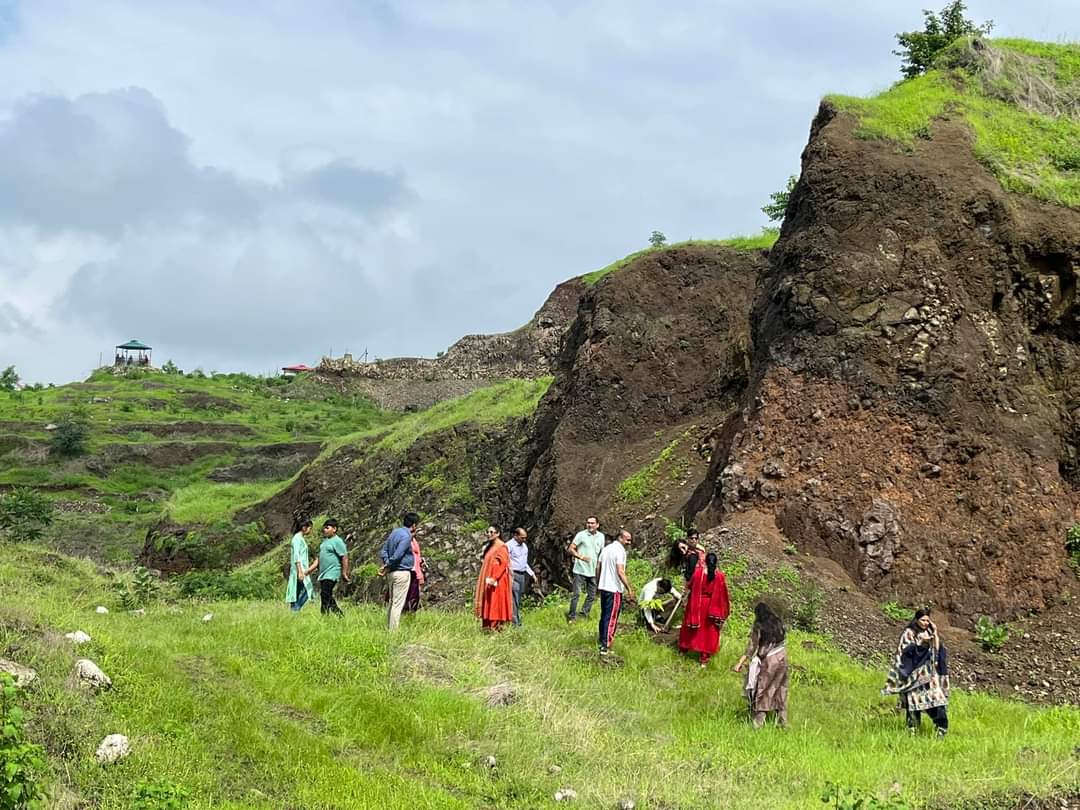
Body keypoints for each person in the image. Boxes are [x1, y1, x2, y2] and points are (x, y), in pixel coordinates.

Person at [882, 609, 950, 736]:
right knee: (913, 703)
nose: (925, 623)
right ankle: (912, 731)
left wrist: (935, 633)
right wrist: (921, 643)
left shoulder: (929, 631)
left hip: (929, 675)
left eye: (927, 621)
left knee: (937, 700)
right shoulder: (909, 633)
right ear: (916, 620)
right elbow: (904, 652)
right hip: (914, 677)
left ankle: (941, 728)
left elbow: (936, 649)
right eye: (923, 620)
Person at [734, 602, 789, 728]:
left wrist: (740, 663)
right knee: (781, 689)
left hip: (769, 661)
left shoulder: (759, 626)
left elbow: (752, 646)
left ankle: (758, 723)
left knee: (764, 689)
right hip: (782, 657)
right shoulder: (778, 623)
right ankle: (782, 721)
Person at [677, 553, 731, 665]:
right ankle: (703, 659)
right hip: (711, 607)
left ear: (705, 561)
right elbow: (723, 594)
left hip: (696, 604)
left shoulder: (698, 573)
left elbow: (690, 585)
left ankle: (683, 651)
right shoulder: (720, 576)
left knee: (690, 628)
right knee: (707, 632)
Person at [596, 529, 635, 655]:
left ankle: (602, 640)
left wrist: (598, 582)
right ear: (620, 538)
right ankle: (605, 645)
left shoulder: (606, 549)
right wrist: (629, 588)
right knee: (611, 617)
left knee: (604, 616)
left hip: (604, 587)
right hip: (614, 589)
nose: (629, 542)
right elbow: (620, 571)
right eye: (627, 540)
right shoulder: (620, 551)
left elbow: (598, 567)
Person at [379, 512, 419, 631]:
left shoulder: (395, 533)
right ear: (414, 525)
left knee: (392, 602)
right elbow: (398, 555)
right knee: (397, 604)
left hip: (392, 573)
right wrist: (388, 564)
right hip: (402, 572)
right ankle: (393, 632)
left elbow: (384, 551)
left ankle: (388, 628)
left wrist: (387, 564)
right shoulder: (407, 536)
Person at [566, 516, 605, 622]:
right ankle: (571, 617)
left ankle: (583, 614)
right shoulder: (581, 535)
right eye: (588, 523)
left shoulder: (601, 536)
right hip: (580, 570)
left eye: (592, 523)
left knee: (592, 595)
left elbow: (601, 554)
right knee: (576, 594)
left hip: (593, 570)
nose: (590, 525)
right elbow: (570, 549)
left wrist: (600, 568)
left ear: (597, 525)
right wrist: (580, 557)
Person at [474, 526, 513, 631]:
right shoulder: (490, 546)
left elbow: (503, 564)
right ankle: (487, 627)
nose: (489, 534)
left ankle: (495, 628)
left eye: (492, 532)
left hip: (497, 581)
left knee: (495, 603)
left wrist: (494, 578)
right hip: (489, 579)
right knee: (488, 601)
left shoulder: (501, 546)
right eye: (487, 532)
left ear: (498, 533)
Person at [317, 519, 350, 616]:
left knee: (325, 594)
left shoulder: (337, 541)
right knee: (326, 595)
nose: (325, 530)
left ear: (334, 529)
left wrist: (344, 573)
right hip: (323, 573)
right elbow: (319, 558)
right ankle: (339, 615)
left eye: (327, 528)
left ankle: (325, 616)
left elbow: (344, 557)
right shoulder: (324, 542)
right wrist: (309, 570)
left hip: (332, 572)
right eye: (324, 528)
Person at [285, 518, 319, 612]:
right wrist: (300, 571)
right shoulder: (297, 539)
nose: (310, 530)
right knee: (307, 589)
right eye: (310, 528)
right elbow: (297, 556)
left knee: (297, 591)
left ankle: (294, 610)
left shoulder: (300, 539)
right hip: (299, 570)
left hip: (302, 569)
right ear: (304, 528)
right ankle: (295, 609)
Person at [507, 527, 538, 627]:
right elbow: (505, 561)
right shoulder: (508, 546)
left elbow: (524, 563)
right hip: (512, 574)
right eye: (522, 538)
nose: (524, 540)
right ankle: (515, 623)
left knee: (518, 598)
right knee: (514, 598)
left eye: (525, 538)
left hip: (522, 574)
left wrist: (532, 574)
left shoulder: (524, 546)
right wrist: (509, 573)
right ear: (515, 536)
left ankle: (517, 620)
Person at [404, 524, 427, 613]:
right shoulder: (406, 540)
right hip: (409, 570)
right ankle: (405, 613)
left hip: (415, 570)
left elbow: (417, 555)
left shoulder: (414, 541)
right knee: (408, 595)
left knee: (414, 596)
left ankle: (410, 614)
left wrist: (421, 561)